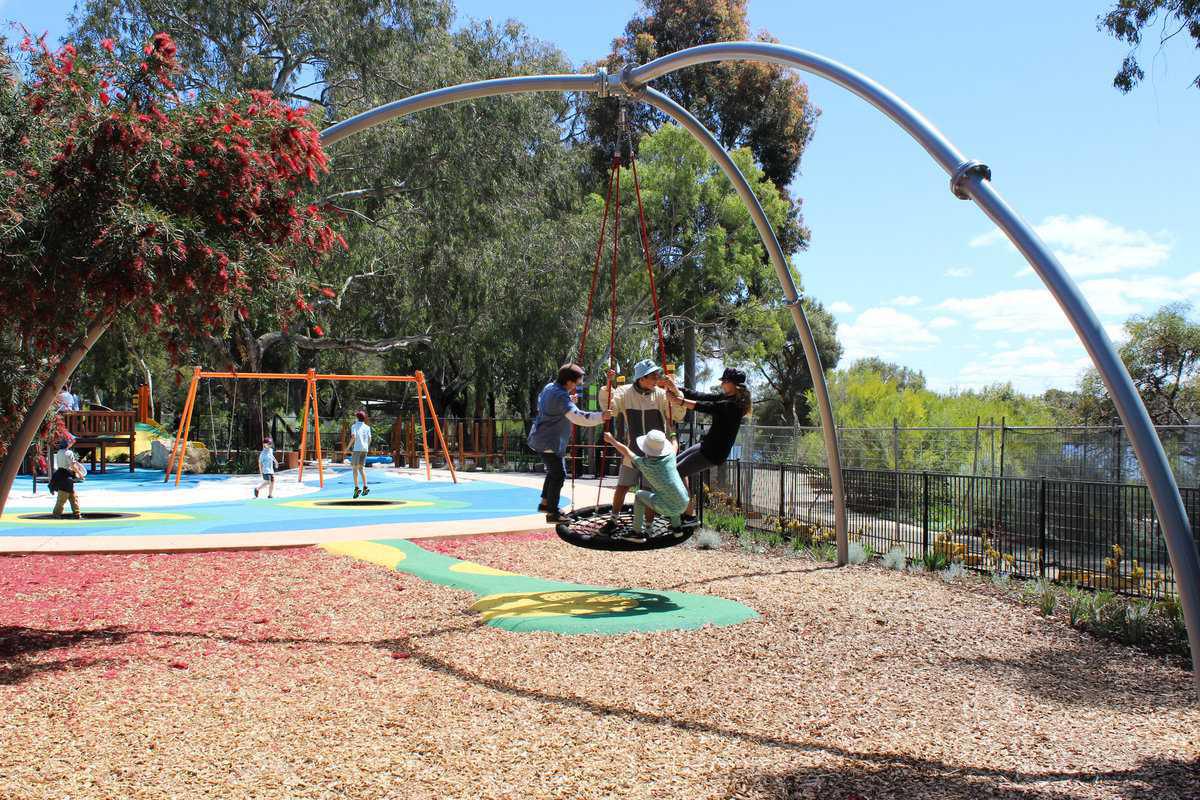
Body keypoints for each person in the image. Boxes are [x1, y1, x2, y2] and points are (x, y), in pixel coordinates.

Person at [598, 359, 686, 528]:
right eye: (652, 376)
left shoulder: (660, 394)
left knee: (649, 491)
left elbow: (677, 414)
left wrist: (674, 389)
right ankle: (613, 519)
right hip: (633, 451)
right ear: (641, 378)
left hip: (655, 454)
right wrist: (609, 385)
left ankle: (649, 526)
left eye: (656, 375)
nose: (656, 379)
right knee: (623, 486)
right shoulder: (625, 392)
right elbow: (611, 409)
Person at [664, 367, 753, 520]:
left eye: (725, 381)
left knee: (676, 472)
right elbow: (701, 396)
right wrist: (676, 388)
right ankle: (683, 509)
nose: (722, 384)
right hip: (705, 446)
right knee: (673, 465)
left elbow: (706, 406)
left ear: (735, 385)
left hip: (712, 454)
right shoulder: (725, 398)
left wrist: (680, 401)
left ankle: (687, 512)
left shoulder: (733, 406)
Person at [528, 363, 612, 521]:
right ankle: (552, 513)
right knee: (559, 475)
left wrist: (568, 400)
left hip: (540, 438)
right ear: (568, 382)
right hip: (549, 442)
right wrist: (601, 416)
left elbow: (546, 402)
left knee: (554, 472)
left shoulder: (550, 388)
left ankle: (546, 503)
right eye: (577, 382)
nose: (578, 385)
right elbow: (578, 417)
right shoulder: (560, 396)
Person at [602, 429, 689, 542]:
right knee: (671, 491)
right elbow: (675, 444)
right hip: (684, 502)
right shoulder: (671, 456)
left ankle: (636, 532)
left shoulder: (645, 464)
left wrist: (612, 440)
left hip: (666, 508)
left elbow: (626, 451)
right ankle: (677, 528)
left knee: (639, 495)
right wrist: (672, 433)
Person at [48, 439, 84, 519]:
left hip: (60, 474)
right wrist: (79, 473)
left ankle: (77, 514)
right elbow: (72, 465)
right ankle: (56, 514)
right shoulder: (69, 452)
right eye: (70, 442)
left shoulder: (59, 452)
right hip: (66, 476)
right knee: (62, 497)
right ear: (67, 444)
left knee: (73, 496)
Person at [349, 410, 372, 499]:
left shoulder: (354, 426)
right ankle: (365, 487)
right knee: (361, 468)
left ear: (357, 418)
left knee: (354, 469)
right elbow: (370, 439)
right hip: (364, 449)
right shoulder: (367, 427)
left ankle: (356, 488)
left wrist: (348, 447)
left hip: (357, 449)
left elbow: (353, 437)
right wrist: (366, 447)